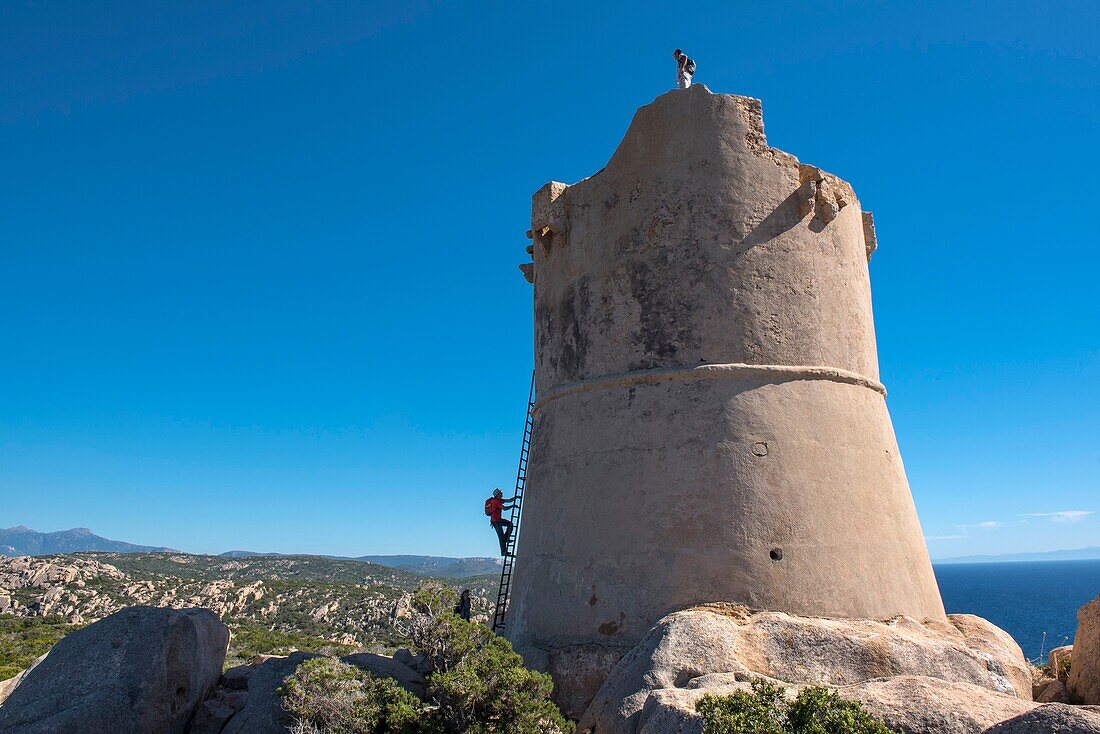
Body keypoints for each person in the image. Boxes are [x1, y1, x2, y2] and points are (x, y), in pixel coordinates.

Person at [484, 488, 517, 556]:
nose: (502, 493)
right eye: (500, 493)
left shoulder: (499, 500)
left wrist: (516, 497)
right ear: (497, 495)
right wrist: (512, 506)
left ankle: (506, 538)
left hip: (498, 520)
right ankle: (503, 551)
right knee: (501, 536)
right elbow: (504, 508)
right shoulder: (496, 501)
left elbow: (508, 500)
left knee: (510, 524)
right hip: (495, 521)